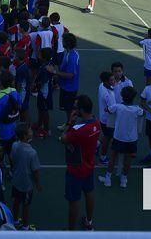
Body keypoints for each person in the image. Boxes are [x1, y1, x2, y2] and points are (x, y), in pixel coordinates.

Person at [61, 94, 101, 231]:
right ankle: (89, 222)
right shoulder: (96, 123)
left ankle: (71, 232)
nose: (74, 110)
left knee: (74, 201)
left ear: (81, 110)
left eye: (76, 108)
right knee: (89, 192)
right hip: (89, 167)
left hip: (75, 169)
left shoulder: (78, 130)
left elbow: (63, 139)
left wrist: (70, 123)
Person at [101, 85, 143, 188]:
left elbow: (108, 109)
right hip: (131, 139)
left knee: (113, 156)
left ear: (122, 96)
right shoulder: (137, 109)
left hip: (118, 138)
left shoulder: (117, 107)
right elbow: (142, 113)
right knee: (128, 159)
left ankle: (108, 179)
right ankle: (124, 180)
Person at [10, 123, 42, 230]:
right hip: (27, 185)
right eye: (30, 131)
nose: (31, 131)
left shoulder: (14, 145)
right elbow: (35, 171)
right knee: (26, 205)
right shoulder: (32, 153)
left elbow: (12, 160)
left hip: (16, 181)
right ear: (24, 136)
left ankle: (14, 221)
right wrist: (37, 184)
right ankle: (25, 227)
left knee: (16, 201)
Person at [50, 32, 80, 129]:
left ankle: (70, 129)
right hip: (66, 86)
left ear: (67, 43)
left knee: (69, 109)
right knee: (68, 109)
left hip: (69, 88)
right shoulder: (69, 53)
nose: (61, 42)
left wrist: (54, 72)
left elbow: (70, 75)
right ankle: (68, 124)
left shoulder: (72, 57)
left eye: (63, 40)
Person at [97, 71, 116, 165]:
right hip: (109, 120)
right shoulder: (109, 95)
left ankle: (96, 146)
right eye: (112, 80)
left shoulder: (101, 86)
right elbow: (113, 110)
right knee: (107, 138)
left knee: (104, 134)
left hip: (102, 118)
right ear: (106, 81)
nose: (114, 81)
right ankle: (103, 157)